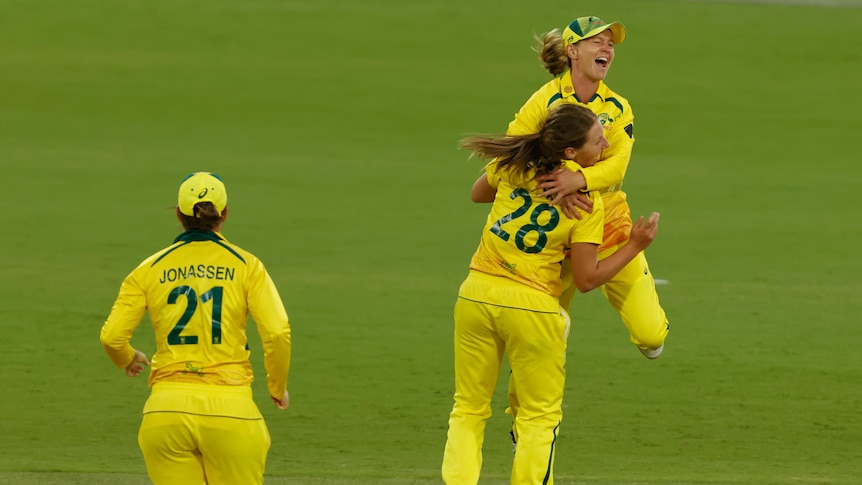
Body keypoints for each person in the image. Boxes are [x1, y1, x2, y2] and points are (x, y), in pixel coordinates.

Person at [441, 103, 660, 485]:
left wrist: (525, 181)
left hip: (475, 295)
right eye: (597, 139)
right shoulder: (586, 205)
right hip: (532, 307)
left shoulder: (513, 165)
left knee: (468, 409)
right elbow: (588, 279)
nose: (606, 143)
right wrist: (634, 245)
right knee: (538, 418)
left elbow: (479, 194)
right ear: (571, 153)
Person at [99, 172, 292, 485]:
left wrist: (127, 357)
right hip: (231, 412)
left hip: (165, 414)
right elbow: (277, 331)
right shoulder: (247, 266)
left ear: (178, 214)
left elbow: (111, 336)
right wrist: (277, 385)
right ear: (225, 214)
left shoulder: (149, 268)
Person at [509, 15, 669, 359]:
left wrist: (578, 180)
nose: (607, 48)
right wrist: (554, 186)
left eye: (610, 44)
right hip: (557, 229)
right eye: (597, 41)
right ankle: (525, 410)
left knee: (651, 335)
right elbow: (513, 154)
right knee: (543, 338)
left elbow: (617, 166)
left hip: (608, 221)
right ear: (572, 51)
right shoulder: (543, 101)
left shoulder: (617, 108)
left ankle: (652, 337)